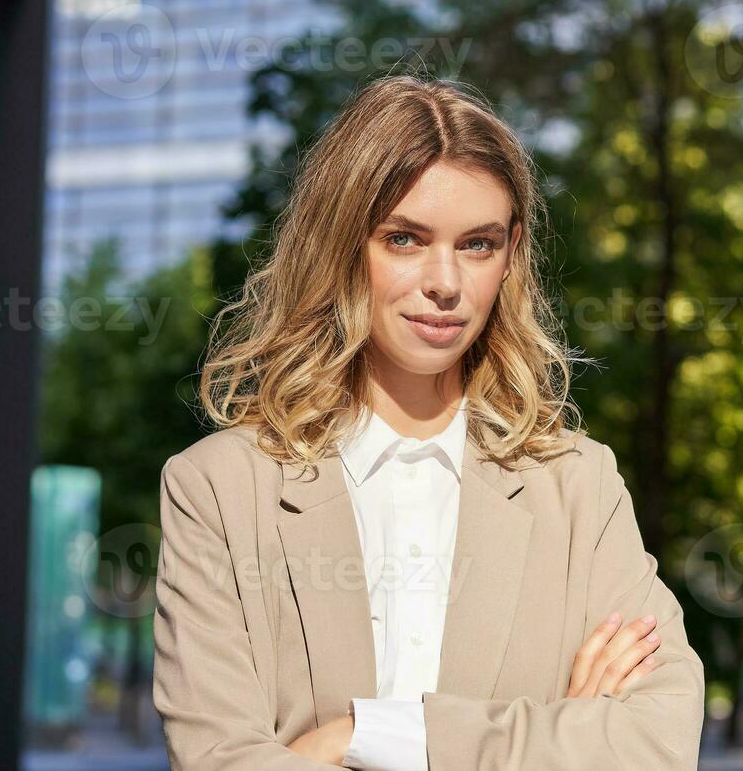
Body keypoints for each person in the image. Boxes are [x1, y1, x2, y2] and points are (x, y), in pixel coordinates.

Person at [153, 76, 705, 769]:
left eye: (476, 244)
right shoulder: (220, 489)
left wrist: (363, 736)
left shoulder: (577, 486)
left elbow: (654, 744)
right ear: (341, 247)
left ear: (509, 257)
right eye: (405, 239)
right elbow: (217, 759)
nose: (444, 282)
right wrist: (555, 732)